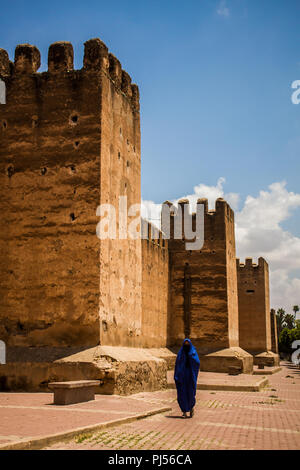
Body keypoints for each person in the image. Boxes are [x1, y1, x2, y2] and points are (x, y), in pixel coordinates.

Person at [174, 338, 200, 418]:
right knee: (182, 394)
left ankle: (191, 407)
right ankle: (184, 411)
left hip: (190, 376)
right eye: (185, 344)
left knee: (191, 393)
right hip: (182, 377)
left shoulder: (193, 352)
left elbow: (197, 362)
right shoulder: (181, 353)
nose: (186, 346)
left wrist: (190, 358)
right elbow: (177, 364)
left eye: (187, 344)